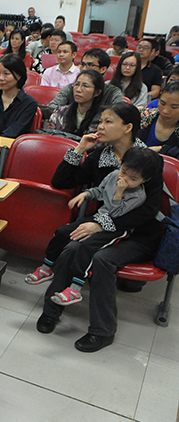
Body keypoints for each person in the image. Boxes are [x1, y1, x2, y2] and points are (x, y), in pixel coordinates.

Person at [36, 103, 163, 352]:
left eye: (108, 122)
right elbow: (60, 181)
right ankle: (51, 310)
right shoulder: (100, 156)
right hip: (103, 225)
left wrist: (100, 224)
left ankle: (102, 331)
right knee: (72, 245)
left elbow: (148, 211)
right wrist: (80, 149)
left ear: (128, 127)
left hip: (136, 233)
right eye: (100, 121)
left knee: (103, 258)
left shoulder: (148, 161)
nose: (100, 127)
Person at [28, 147, 161, 306]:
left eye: (133, 178)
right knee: (64, 231)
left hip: (115, 228)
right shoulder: (113, 175)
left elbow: (116, 213)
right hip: (100, 218)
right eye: (123, 171)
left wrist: (119, 193)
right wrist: (85, 194)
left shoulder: (139, 195)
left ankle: (75, 288)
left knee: (87, 246)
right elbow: (100, 191)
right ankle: (47, 266)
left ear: (144, 180)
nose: (124, 178)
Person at [0, 54, 38, 138]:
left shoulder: (29, 103)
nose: (0, 78)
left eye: (6, 74)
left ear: (19, 75)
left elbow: (15, 130)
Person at [46, 48, 122, 114]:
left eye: (90, 65)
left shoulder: (112, 92)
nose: (84, 69)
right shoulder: (71, 88)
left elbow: (117, 114)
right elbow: (51, 107)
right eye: (82, 64)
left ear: (103, 69)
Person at [46, 70, 105, 136]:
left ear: (97, 92)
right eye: (77, 84)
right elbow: (49, 137)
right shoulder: (60, 112)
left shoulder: (103, 118)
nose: (78, 90)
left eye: (85, 86)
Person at [138, 81, 179, 157]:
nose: (165, 111)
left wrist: (162, 149)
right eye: (162, 103)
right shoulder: (144, 116)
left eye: (174, 107)